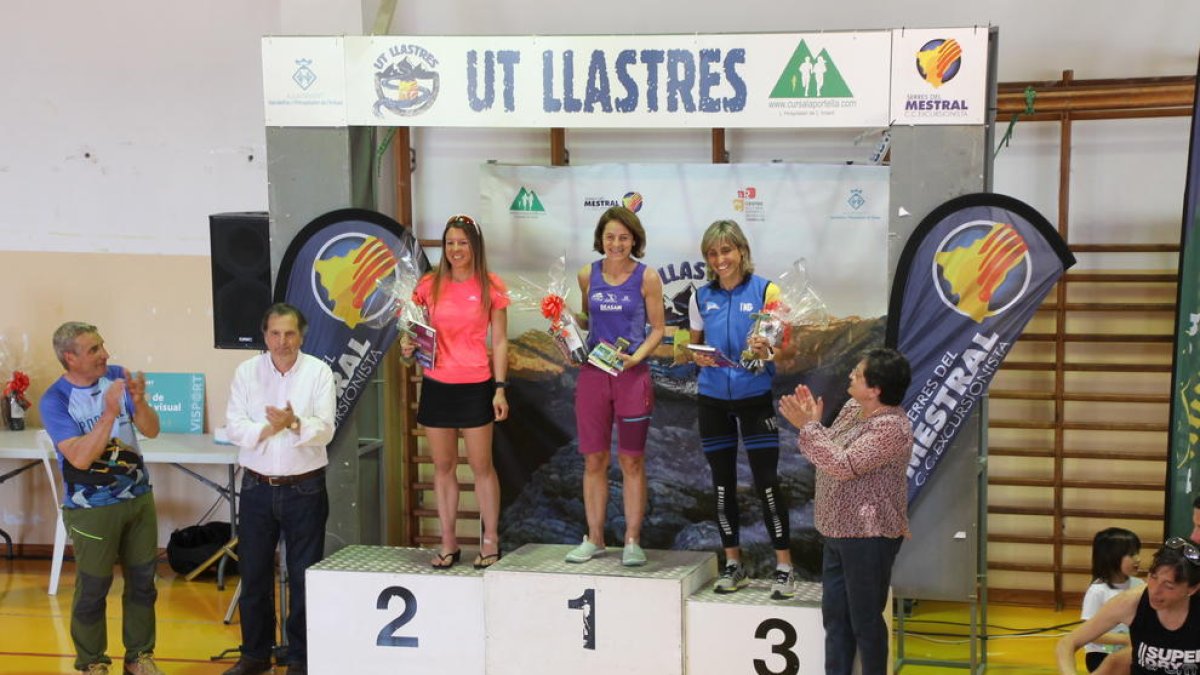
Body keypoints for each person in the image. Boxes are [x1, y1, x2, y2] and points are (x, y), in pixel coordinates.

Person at [40, 322, 166, 675]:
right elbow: (79, 458)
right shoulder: (55, 400)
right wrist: (109, 413)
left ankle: (139, 656)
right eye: (93, 349)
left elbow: (151, 430)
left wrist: (138, 403)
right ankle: (92, 662)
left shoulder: (116, 377)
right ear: (70, 358)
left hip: (138, 499)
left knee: (143, 582)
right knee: (94, 588)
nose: (105, 355)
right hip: (91, 510)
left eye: (102, 346)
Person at [779, 347, 913, 675]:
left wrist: (808, 429)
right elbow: (832, 449)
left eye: (858, 373)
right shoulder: (854, 407)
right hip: (835, 530)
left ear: (876, 389)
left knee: (866, 622)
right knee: (835, 619)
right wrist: (813, 424)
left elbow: (844, 464)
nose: (850, 375)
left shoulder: (891, 428)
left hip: (869, 535)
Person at [223, 303, 336, 675]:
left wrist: (295, 423)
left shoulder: (318, 372)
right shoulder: (246, 372)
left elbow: (326, 429)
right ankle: (255, 655)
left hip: (305, 489)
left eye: (289, 333)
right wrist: (270, 428)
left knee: (304, 577)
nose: (282, 341)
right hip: (256, 488)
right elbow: (235, 428)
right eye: (275, 333)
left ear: (301, 335)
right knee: (254, 575)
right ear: (264, 336)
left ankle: (301, 659)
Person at [686, 219, 795, 598]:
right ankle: (733, 564)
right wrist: (698, 358)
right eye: (712, 254)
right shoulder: (701, 297)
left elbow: (789, 350)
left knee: (767, 482)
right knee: (722, 485)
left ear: (742, 251)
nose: (720, 260)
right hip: (713, 399)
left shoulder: (767, 290)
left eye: (726, 251)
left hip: (754, 398)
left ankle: (784, 567)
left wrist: (770, 350)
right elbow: (692, 345)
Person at [402, 213, 509, 570]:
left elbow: (501, 341)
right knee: (443, 467)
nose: (455, 249)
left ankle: (490, 540)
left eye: (462, 242)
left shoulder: (490, 286)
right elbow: (416, 334)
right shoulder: (428, 286)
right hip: (437, 386)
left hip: (477, 386)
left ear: (475, 246)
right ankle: (448, 542)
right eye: (450, 243)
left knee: (482, 467)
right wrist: (407, 346)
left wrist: (499, 388)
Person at [565, 206, 665, 567]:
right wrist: (563, 322)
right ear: (600, 239)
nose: (617, 243)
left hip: (631, 377)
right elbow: (588, 319)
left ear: (634, 239)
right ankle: (594, 538)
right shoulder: (586, 275)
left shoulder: (647, 277)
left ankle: (632, 540)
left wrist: (636, 358)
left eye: (624, 237)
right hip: (593, 375)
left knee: (631, 460)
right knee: (594, 459)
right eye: (610, 237)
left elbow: (658, 328)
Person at [1056, 539, 1200, 675]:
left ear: (1192, 589)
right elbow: (1068, 643)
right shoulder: (1131, 602)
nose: (1155, 591)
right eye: (1153, 577)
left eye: (1168, 586)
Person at [1080, 528, 1145, 672]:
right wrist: (1125, 640)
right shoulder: (1098, 591)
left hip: (1131, 652)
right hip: (1101, 654)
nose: (1138, 559)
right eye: (1131, 554)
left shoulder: (1140, 585)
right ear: (1112, 558)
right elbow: (1088, 633)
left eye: (1137, 553)